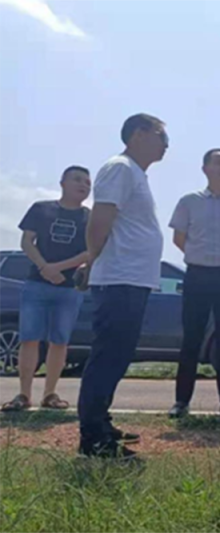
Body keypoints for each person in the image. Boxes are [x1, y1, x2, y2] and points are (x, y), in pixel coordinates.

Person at [77, 113, 168, 458]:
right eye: (161, 136)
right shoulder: (120, 167)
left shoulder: (135, 173)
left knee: (118, 355)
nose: (166, 145)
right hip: (118, 278)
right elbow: (100, 219)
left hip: (132, 279)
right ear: (139, 134)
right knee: (108, 355)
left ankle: (101, 421)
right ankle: (93, 438)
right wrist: (91, 261)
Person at [167, 149, 220, 419]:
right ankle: (181, 401)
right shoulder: (189, 201)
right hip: (197, 275)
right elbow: (179, 238)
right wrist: (201, 257)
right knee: (191, 338)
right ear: (205, 168)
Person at [1, 167, 91, 413]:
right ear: (63, 183)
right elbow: (26, 241)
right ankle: (23, 394)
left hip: (69, 287)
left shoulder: (89, 217)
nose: (83, 185)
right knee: (29, 338)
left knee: (59, 340)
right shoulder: (41, 209)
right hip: (36, 284)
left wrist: (58, 268)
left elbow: (90, 252)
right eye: (77, 180)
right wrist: (44, 267)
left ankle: (50, 394)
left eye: (87, 182)